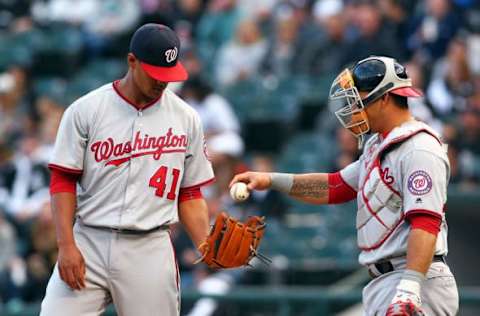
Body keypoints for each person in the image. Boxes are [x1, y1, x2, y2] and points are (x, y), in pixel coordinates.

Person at [230, 56, 459, 315]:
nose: (353, 109)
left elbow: (426, 222)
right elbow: (335, 187)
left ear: (385, 98)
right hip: (388, 281)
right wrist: (271, 180)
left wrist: (409, 289)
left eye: (359, 99)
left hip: (416, 281)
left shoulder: (419, 147)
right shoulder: (380, 145)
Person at [40, 24, 215, 316]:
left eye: (168, 74)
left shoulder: (186, 118)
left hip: (149, 246)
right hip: (89, 241)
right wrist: (66, 245)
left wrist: (205, 244)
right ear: (132, 61)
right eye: (156, 73)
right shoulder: (86, 110)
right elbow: (63, 179)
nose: (162, 82)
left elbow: (190, 191)